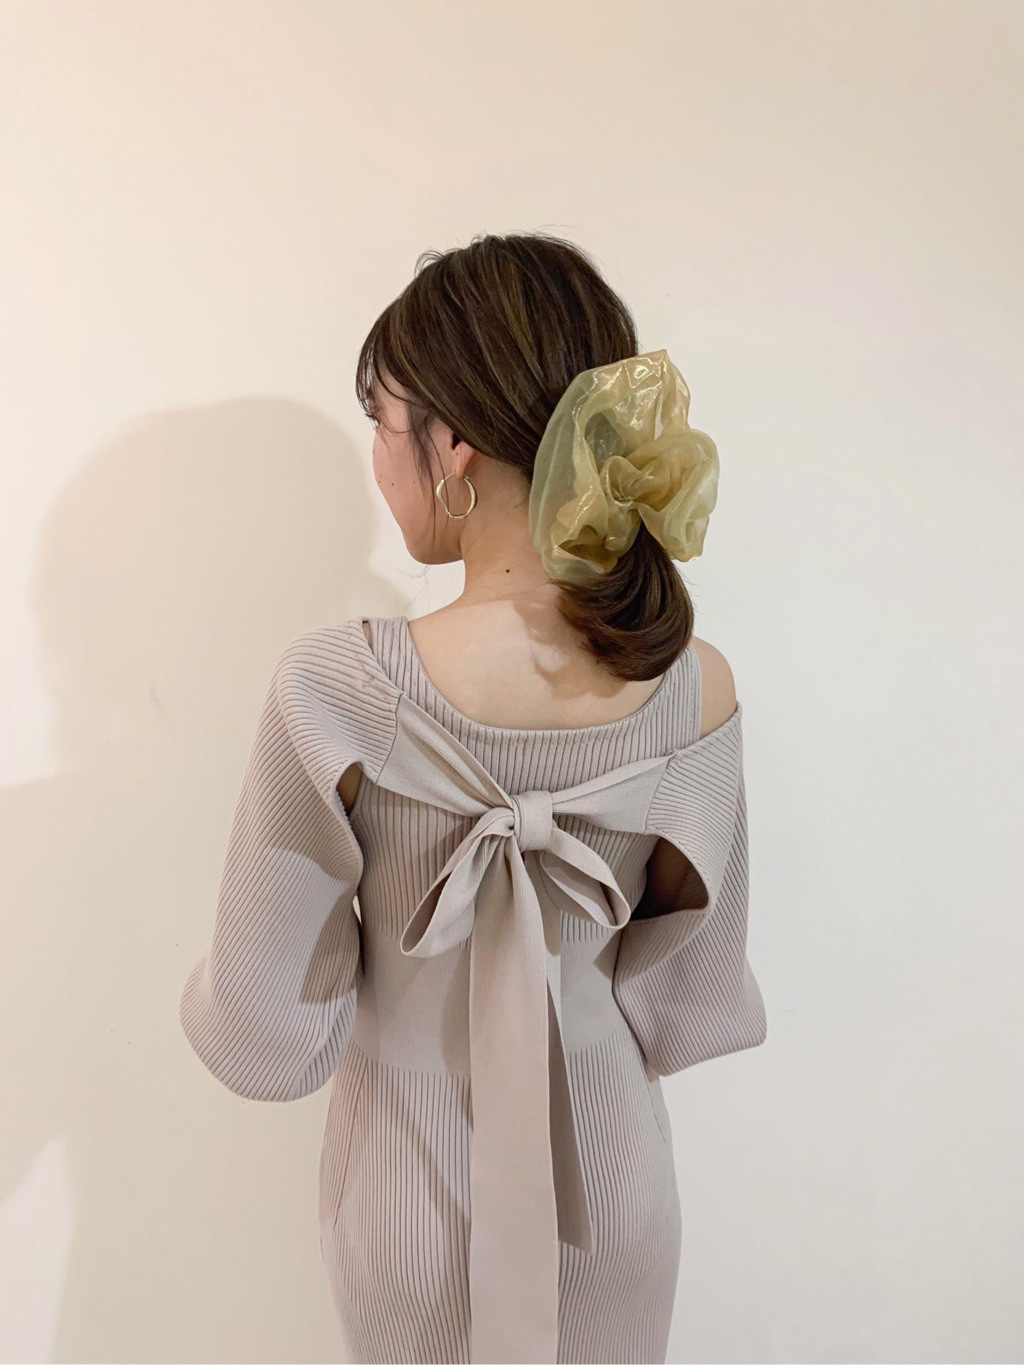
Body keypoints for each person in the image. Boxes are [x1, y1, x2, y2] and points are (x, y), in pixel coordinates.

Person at [179, 231, 767, 1365]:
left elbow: (263, 1024)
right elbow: (688, 995)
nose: (380, 457)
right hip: (612, 1194)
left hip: (407, 1198)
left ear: (450, 445)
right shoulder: (697, 687)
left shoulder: (336, 685)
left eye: (383, 423)